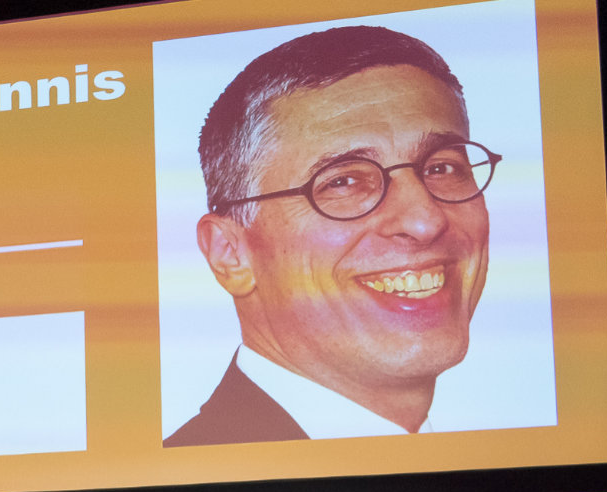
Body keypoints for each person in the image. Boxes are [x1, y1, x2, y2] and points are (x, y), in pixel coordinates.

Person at [166, 25, 497, 446]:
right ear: (229, 253)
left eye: (442, 168)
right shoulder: (200, 470)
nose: (424, 221)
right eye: (343, 182)